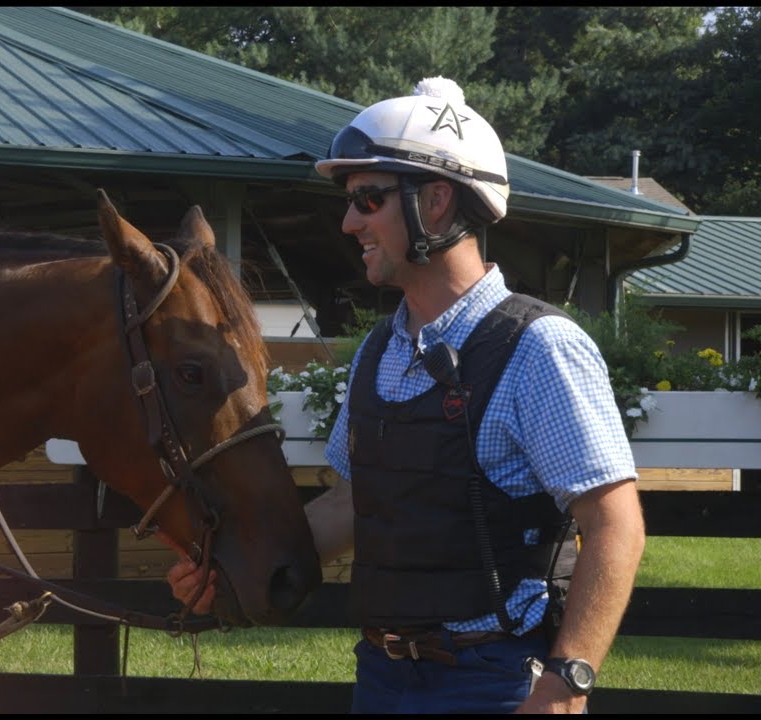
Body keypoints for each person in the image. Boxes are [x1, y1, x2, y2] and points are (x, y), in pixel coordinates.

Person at [163, 77, 646, 714]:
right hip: (383, 676)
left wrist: (565, 684)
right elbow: (352, 503)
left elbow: (615, 525)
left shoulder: (538, 347)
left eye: (368, 199)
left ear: (436, 201)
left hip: (497, 682)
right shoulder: (379, 351)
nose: (348, 222)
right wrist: (228, 562)